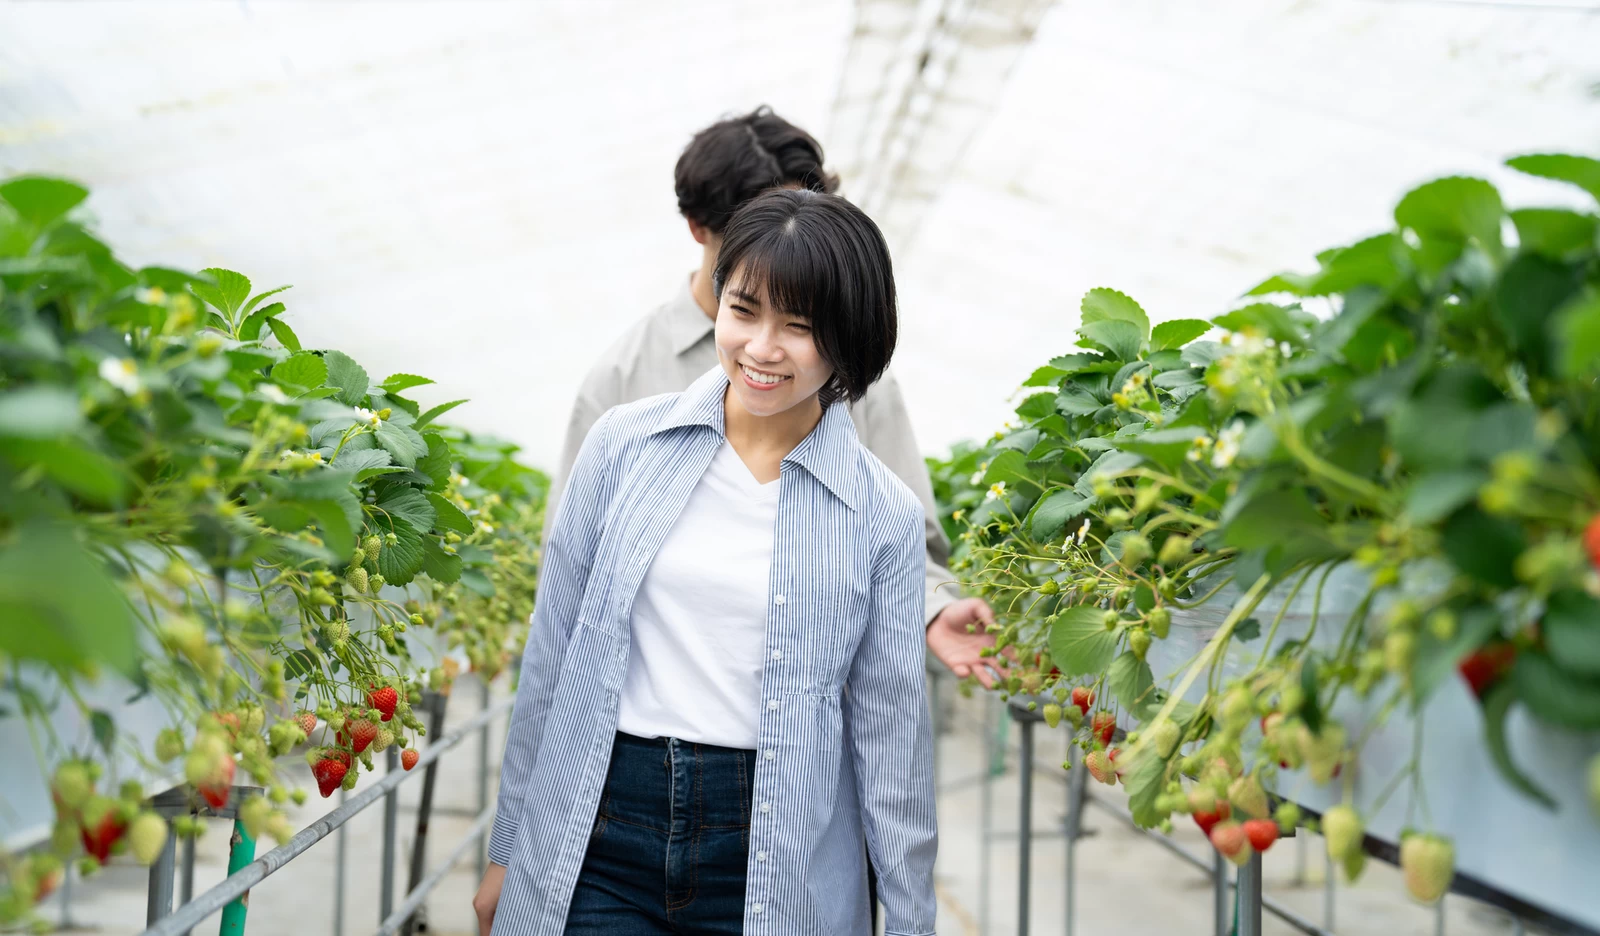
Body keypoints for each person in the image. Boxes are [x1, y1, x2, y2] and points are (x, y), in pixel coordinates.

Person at [473, 188, 938, 935]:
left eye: (801, 326)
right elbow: (553, 654)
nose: (761, 348)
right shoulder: (623, 448)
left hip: (776, 850)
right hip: (604, 830)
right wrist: (508, 849)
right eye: (744, 310)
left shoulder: (880, 514)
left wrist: (912, 922)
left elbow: (890, 741)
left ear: (852, 339)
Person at [543, 106, 1002, 688]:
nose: (788, 239)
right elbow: (571, 558)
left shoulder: (857, 381)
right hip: (655, 707)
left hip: (806, 704)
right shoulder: (624, 378)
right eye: (758, 223)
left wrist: (935, 610)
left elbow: (909, 544)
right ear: (699, 229)